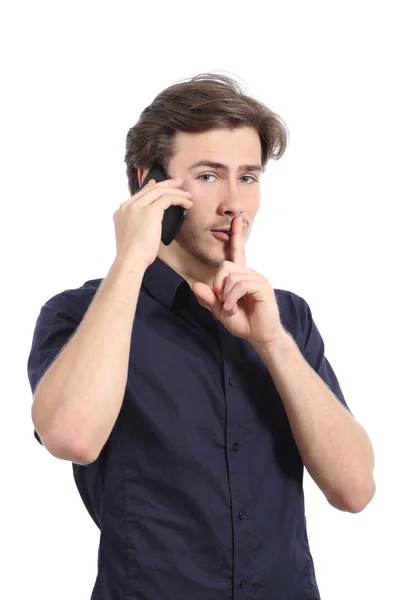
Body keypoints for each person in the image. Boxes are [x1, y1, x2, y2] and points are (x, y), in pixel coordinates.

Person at [27, 73, 375, 600]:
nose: (235, 202)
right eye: (210, 176)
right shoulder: (80, 316)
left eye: (249, 177)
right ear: (151, 184)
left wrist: (273, 344)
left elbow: (355, 491)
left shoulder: (287, 319)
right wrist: (129, 261)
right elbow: (72, 438)